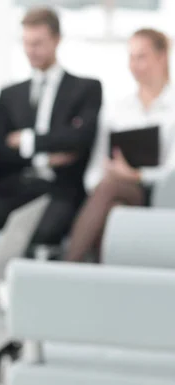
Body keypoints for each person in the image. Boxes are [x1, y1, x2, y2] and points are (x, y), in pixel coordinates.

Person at [0, 6, 102, 246]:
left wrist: (26, 140)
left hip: (61, 190)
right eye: (26, 43)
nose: (31, 50)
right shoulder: (10, 94)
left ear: (57, 40)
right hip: (17, 186)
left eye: (38, 43)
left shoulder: (86, 89)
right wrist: (46, 156)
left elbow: (80, 139)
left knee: (42, 234)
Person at [65, 28, 175, 262]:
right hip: (115, 190)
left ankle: (68, 267)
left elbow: (171, 173)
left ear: (162, 56)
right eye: (131, 57)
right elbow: (97, 166)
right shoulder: (118, 108)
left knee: (111, 191)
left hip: (158, 193)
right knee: (111, 202)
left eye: (141, 56)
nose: (134, 65)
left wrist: (136, 175)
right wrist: (102, 186)